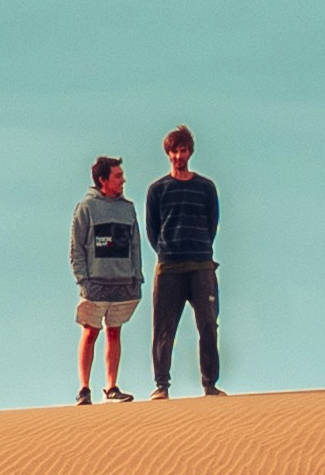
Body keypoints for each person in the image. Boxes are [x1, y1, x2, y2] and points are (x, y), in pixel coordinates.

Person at [145, 126, 223, 398]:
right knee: (163, 328)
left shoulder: (205, 187)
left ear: (190, 152)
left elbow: (212, 224)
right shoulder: (157, 189)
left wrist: (200, 247)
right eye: (174, 151)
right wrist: (167, 251)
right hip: (169, 268)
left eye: (183, 150)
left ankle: (210, 384)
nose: (179, 156)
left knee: (208, 326)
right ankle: (161, 386)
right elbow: (152, 230)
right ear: (167, 153)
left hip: (201, 266)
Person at [70, 154, 142, 404]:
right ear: (103, 180)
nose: (123, 180)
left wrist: (137, 277)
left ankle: (111, 387)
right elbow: (77, 248)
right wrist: (83, 281)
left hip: (123, 284)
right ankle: (84, 389)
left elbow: (135, 245)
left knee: (114, 332)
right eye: (118, 176)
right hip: (95, 284)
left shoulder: (128, 208)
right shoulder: (86, 208)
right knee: (90, 333)